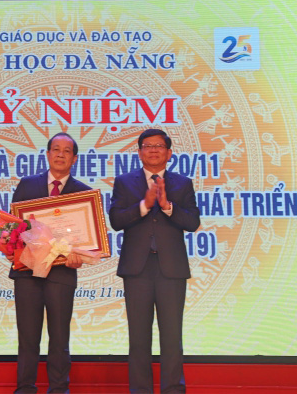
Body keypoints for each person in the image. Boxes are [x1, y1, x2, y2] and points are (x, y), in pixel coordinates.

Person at [109, 129, 200, 394]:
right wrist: (144, 205)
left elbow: (192, 222)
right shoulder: (125, 182)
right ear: (139, 152)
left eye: (159, 146)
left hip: (171, 270)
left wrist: (167, 205)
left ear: (169, 153)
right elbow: (116, 221)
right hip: (137, 270)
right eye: (147, 146)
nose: (153, 150)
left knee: (172, 338)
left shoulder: (182, 184)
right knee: (139, 339)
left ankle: (173, 389)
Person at [8, 132, 91, 394]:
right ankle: (25, 388)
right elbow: (13, 226)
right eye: (55, 149)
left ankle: (58, 389)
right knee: (28, 338)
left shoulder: (84, 193)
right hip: (27, 272)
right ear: (47, 154)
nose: (60, 154)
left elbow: (86, 241)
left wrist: (81, 256)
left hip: (62, 274)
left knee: (59, 338)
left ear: (74, 158)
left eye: (67, 151)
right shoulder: (27, 185)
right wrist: (10, 249)